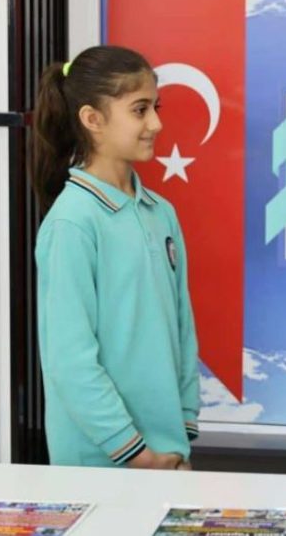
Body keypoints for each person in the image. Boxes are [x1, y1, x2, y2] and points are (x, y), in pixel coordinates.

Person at [31, 45, 200, 469]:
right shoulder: (72, 223)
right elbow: (70, 360)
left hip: (167, 454)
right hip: (99, 460)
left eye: (156, 107)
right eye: (140, 110)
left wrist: (182, 432)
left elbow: (182, 328)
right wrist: (136, 453)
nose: (156, 123)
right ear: (92, 119)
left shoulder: (161, 213)